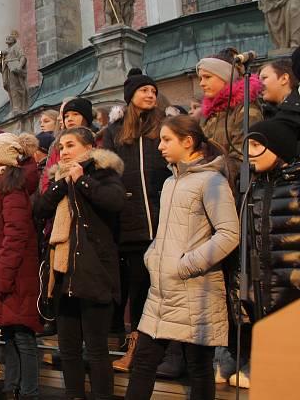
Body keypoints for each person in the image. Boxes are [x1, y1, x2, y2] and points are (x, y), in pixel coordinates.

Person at [125, 115, 240, 400]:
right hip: (162, 290)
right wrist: (154, 258)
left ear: (188, 142)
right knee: (143, 362)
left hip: (195, 289)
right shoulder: (170, 183)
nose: (160, 146)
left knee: (199, 367)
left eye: (167, 140)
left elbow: (228, 234)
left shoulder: (211, 181)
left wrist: (186, 265)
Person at [34, 128, 125, 400]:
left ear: (89, 147)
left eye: (70, 145)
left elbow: (114, 202)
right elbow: (39, 209)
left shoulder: (103, 173)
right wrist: (64, 183)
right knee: (68, 349)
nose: (63, 152)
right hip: (64, 272)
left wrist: (82, 181)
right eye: (61, 147)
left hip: (94, 271)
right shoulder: (60, 180)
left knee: (96, 349)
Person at [103, 69, 171, 372]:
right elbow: (108, 172)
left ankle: (167, 351)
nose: (150, 95)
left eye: (153, 91)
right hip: (130, 224)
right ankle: (136, 347)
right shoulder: (116, 131)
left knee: (165, 286)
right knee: (138, 287)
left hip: (163, 221)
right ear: (131, 96)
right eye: (144, 90)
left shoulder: (163, 127)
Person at [231, 119, 300, 387]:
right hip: (263, 289)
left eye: (257, 145)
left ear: (278, 148)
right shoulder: (251, 187)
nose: (249, 153)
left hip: (291, 287)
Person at [0, 133, 42, 400]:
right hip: (4, 271)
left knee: (23, 337)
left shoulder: (12, 189)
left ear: (2, 156)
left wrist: (3, 274)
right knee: (9, 333)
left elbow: (15, 235)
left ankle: (29, 391)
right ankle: (11, 387)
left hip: (15, 273)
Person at [196, 47, 263, 161]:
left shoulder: (246, 109)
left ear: (226, 77)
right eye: (200, 78)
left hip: (228, 177)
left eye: (207, 77)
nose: (201, 83)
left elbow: (241, 157)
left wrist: (208, 174)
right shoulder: (209, 113)